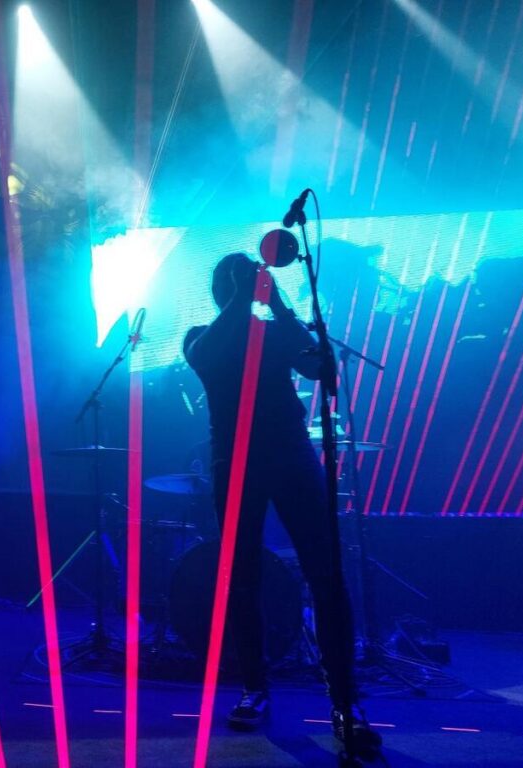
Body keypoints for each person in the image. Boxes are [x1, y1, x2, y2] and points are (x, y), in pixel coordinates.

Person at [183, 252, 380, 756]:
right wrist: (246, 293)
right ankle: (254, 688)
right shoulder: (201, 334)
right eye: (242, 277)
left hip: (291, 455)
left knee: (327, 574)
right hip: (236, 460)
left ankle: (345, 701)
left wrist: (282, 306)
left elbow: (319, 370)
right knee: (242, 577)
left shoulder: (275, 331)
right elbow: (207, 356)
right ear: (225, 288)